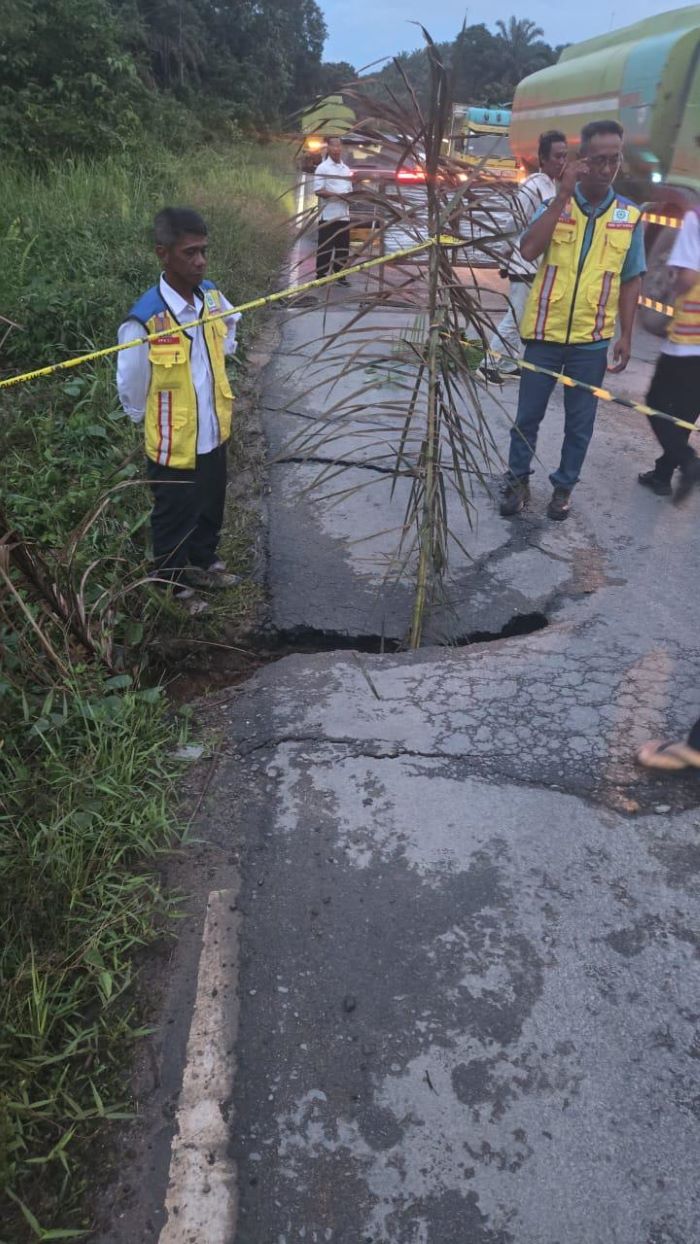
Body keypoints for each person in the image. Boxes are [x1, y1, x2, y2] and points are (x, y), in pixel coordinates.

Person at [500, 119, 646, 522]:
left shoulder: (629, 216)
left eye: (613, 160)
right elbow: (528, 250)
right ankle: (517, 481)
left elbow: (632, 278)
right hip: (543, 334)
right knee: (527, 417)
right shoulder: (557, 204)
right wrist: (563, 194)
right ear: (582, 160)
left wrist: (626, 335)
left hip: (591, 341)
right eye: (598, 159)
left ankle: (563, 488)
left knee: (580, 424)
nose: (606, 168)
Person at [117, 207, 241, 616]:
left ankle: (204, 562)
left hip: (213, 430)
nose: (200, 261)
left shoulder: (210, 296)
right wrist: (142, 417)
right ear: (163, 253)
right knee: (174, 513)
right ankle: (172, 586)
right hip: (173, 440)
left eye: (203, 251)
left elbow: (233, 321)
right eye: (190, 253)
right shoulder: (146, 318)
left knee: (210, 502)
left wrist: (226, 347)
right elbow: (132, 381)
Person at [480, 130, 568, 383]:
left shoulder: (551, 185)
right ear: (543, 158)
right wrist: (503, 254)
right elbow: (514, 221)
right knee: (516, 317)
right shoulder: (533, 186)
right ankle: (487, 364)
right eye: (557, 156)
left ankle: (508, 363)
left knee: (523, 318)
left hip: (535, 264)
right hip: (524, 262)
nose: (562, 162)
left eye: (564, 156)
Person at [637, 206, 700, 502]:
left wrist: (668, 286)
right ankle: (664, 473)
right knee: (686, 411)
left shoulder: (696, 218)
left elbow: (687, 277)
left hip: (691, 338)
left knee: (657, 402)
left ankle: (687, 461)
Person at [314, 137, 353, 283]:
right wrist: (338, 196)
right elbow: (319, 190)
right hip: (328, 215)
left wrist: (351, 198)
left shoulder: (346, 169)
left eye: (338, 146)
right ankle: (321, 276)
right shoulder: (323, 168)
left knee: (343, 248)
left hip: (344, 215)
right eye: (333, 146)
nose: (336, 149)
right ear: (328, 148)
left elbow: (349, 190)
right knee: (325, 247)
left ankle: (340, 276)